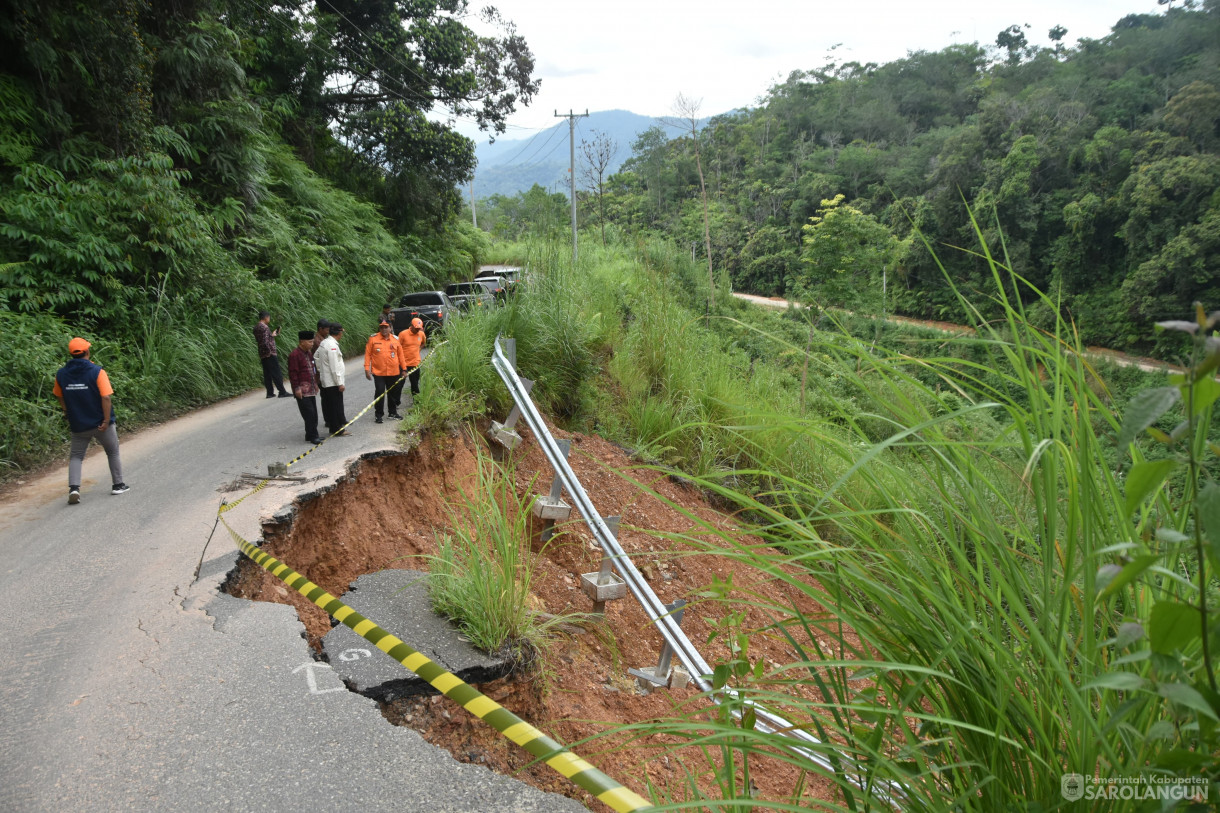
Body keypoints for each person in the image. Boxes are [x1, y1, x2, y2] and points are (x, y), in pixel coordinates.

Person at [53, 337, 129, 503]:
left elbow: (59, 395)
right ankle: (118, 485)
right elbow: (106, 397)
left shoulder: (61, 374)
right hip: (101, 423)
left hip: (78, 424)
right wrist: (106, 420)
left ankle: (74, 489)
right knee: (112, 451)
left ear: (72, 354)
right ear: (87, 351)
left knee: (76, 456)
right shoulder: (97, 372)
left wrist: (67, 412)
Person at [364, 319, 404, 424]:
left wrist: (404, 369)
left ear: (390, 328)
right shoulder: (373, 339)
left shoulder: (396, 340)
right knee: (380, 392)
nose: (384, 329)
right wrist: (366, 368)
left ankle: (392, 413)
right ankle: (378, 415)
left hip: (393, 372)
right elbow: (368, 354)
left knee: (392, 393)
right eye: (382, 327)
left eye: (386, 327)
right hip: (379, 372)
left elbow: (401, 356)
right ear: (379, 328)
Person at [288, 330, 324, 444]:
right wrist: (296, 388)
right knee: (309, 413)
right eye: (309, 342)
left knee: (314, 412)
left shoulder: (308, 353)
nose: (312, 344)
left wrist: (315, 384)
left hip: (311, 388)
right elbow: (293, 373)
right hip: (302, 390)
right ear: (302, 342)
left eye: (312, 341)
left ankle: (310, 434)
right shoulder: (294, 355)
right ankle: (313, 436)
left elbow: (313, 370)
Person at [314, 322, 350, 437]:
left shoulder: (324, 342)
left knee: (332, 405)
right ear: (339, 333)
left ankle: (335, 427)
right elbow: (334, 367)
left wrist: (321, 369)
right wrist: (340, 382)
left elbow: (316, 356)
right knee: (335, 405)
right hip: (333, 381)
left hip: (327, 380)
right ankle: (337, 429)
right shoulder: (332, 346)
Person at [253, 310, 291, 398]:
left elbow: (262, 339)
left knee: (267, 374)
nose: (269, 319)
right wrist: (270, 351)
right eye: (269, 318)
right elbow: (265, 342)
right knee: (276, 372)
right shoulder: (265, 327)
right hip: (269, 353)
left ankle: (269, 392)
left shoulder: (256, 327)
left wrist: (272, 335)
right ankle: (282, 391)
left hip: (262, 353)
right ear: (266, 317)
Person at [397, 317, 427, 402]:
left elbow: (424, 343)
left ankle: (416, 401)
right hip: (403, 364)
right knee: (400, 384)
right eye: (416, 328)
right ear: (411, 326)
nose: (417, 330)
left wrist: (418, 349)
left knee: (415, 384)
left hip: (415, 363)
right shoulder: (403, 334)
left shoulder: (421, 334)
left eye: (419, 328)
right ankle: (396, 402)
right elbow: (397, 347)